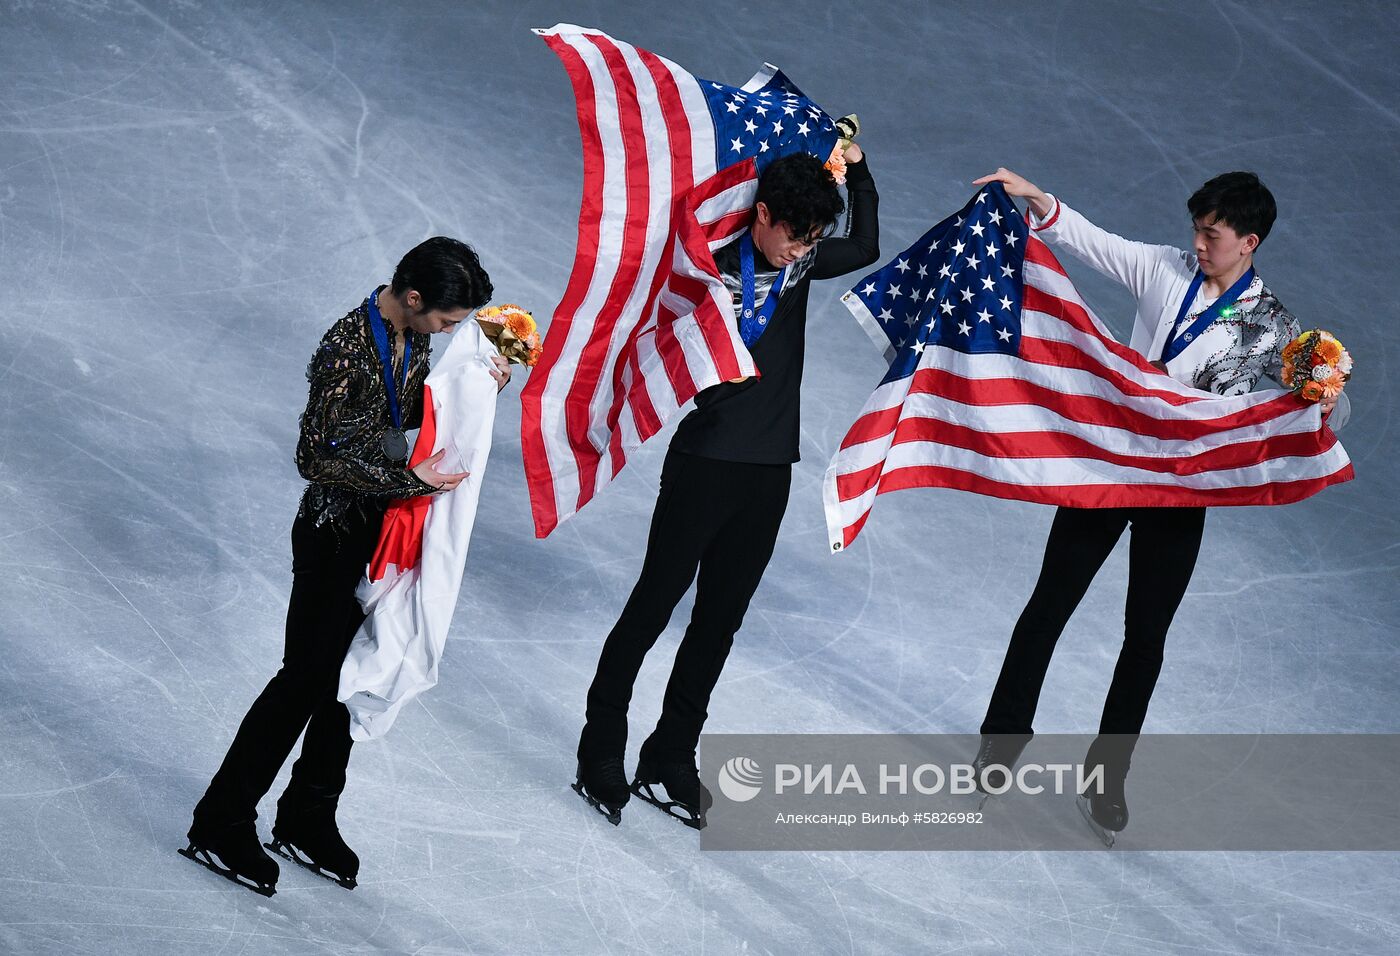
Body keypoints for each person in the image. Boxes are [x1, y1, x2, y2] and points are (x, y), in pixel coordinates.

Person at [968, 168, 1350, 845]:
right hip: (1111, 467)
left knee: (1145, 638)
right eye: (1197, 230)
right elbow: (1092, 240)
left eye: (1213, 234)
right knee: (1048, 604)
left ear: (1249, 241)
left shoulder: (1271, 326)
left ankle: (1106, 777)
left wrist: (1328, 389)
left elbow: (1326, 407)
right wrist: (1038, 198)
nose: (1198, 244)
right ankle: (1000, 744)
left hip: (1181, 491)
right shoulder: (1163, 269)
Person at [182, 237, 510, 895]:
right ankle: (220, 819)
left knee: (352, 673)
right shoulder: (345, 348)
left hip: (380, 525)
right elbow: (315, 456)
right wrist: (409, 476)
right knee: (304, 679)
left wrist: (479, 382)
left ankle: (308, 812)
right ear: (414, 298)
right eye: (447, 321)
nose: (448, 331)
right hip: (333, 531)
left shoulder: (407, 336)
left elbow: (400, 408)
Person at [572, 143, 880, 829]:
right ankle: (601, 745)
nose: (801, 253)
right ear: (762, 215)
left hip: (769, 475)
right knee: (653, 607)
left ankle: (671, 755)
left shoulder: (796, 270)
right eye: (793, 237)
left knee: (718, 625)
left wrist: (858, 169)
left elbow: (863, 245)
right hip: (705, 465)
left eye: (811, 242)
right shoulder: (706, 270)